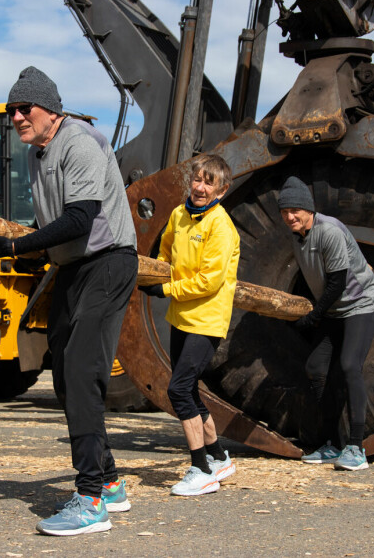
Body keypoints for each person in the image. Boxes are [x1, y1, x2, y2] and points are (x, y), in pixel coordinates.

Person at [0, 66, 138, 536]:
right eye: (11, 111)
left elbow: (81, 219)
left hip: (107, 263)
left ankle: (90, 502)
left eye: (25, 108)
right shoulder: (35, 154)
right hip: (71, 268)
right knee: (64, 375)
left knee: (83, 372)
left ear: (51, 109)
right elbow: (53, 229)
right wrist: (4, 245)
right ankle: (108, 482)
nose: (17, 116)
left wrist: (12, 248)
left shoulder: (79, 142)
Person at [141, 153, 240, 496]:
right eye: (197, 179)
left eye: (208, 183)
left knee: (178, 390)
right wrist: (153, 272)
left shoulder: (221, 226)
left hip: (207, 319)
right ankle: (218, 457)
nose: (200, 187)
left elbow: (209, 282)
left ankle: (201, 470)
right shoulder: (179, 214)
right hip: (180, 317)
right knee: (190, 388)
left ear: (222, 190)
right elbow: (165, 252)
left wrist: (165, 288)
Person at [278, 176, 374, 471]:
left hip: (361, 304)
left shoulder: (329, 231)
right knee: (315, 368)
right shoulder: (297, 235)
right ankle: (331, 444)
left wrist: (313, 316)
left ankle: (356, 447)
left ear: (308, 208)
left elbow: (337, 282)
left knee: (350, 365)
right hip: (335, 310)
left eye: (295, 210)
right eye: (284, 212)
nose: (290, 217)